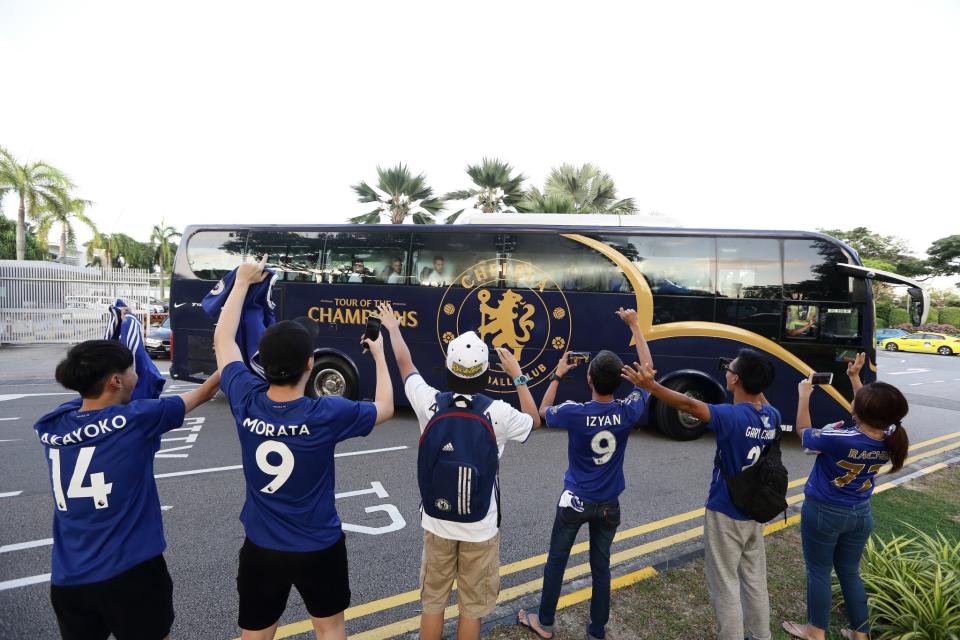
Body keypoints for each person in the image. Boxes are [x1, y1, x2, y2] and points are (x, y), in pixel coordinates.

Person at [213, 256, 394, 640]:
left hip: (261, 546)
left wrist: (242, 283)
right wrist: (379, 355)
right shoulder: (326, 412)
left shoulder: (246, 398)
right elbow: (385, 408)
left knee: (256, 632)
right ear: (310, 364)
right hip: (319, 545)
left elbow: (223, 341)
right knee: (329, 628)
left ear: (264, 363)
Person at [35, 340, 221, 640]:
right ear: (116, 380)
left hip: (69, 577)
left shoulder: (52, 424)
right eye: (132, 368)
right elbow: (204, 392)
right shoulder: (137, 419)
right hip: (131, 572)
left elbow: (90, 404)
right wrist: (230, 358)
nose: (139, 373)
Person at [377, 301, 541, 640]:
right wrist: (517, 374)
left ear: (448, 369)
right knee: (471, 608)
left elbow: (406, 366)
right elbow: (534, 420)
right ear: (484, 373)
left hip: (436, 521)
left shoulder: (430, 402)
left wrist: (393, 328)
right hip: (480, 525)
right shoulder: (498, 412)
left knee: (433, 603)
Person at [622, 349, 779, 640]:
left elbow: (689, 404)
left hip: (726, 510)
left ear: (735, 379)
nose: (726, 372)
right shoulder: (771, 415)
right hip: (756, 510)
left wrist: (651, 387)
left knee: (725, 583)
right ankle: (761, 635)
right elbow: (757, 399)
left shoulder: (730, 417)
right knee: (755, 579)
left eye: (729, 369)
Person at [518, 308, 653, 640]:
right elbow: (647, 372)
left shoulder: (575, 413)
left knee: (557, 562)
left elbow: (541, 412)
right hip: (609, 504)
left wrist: (557, 375)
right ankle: (596, 631)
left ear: (589, 379)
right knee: (601, 568)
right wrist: (635, 326)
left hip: (574, 502)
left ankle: (545, 623)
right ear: (621, 379)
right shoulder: (628, 410)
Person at [781, 354, 909, 640]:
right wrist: (854, 378)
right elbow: (867, 411)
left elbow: (803, 432)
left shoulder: (838, 438)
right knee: (850, 572)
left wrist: (804, 396)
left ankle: (815, 631)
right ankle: (860, 633)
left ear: (859, 412)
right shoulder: (891, 435)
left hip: (824, 512)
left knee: (819, 571)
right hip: (860, 513)